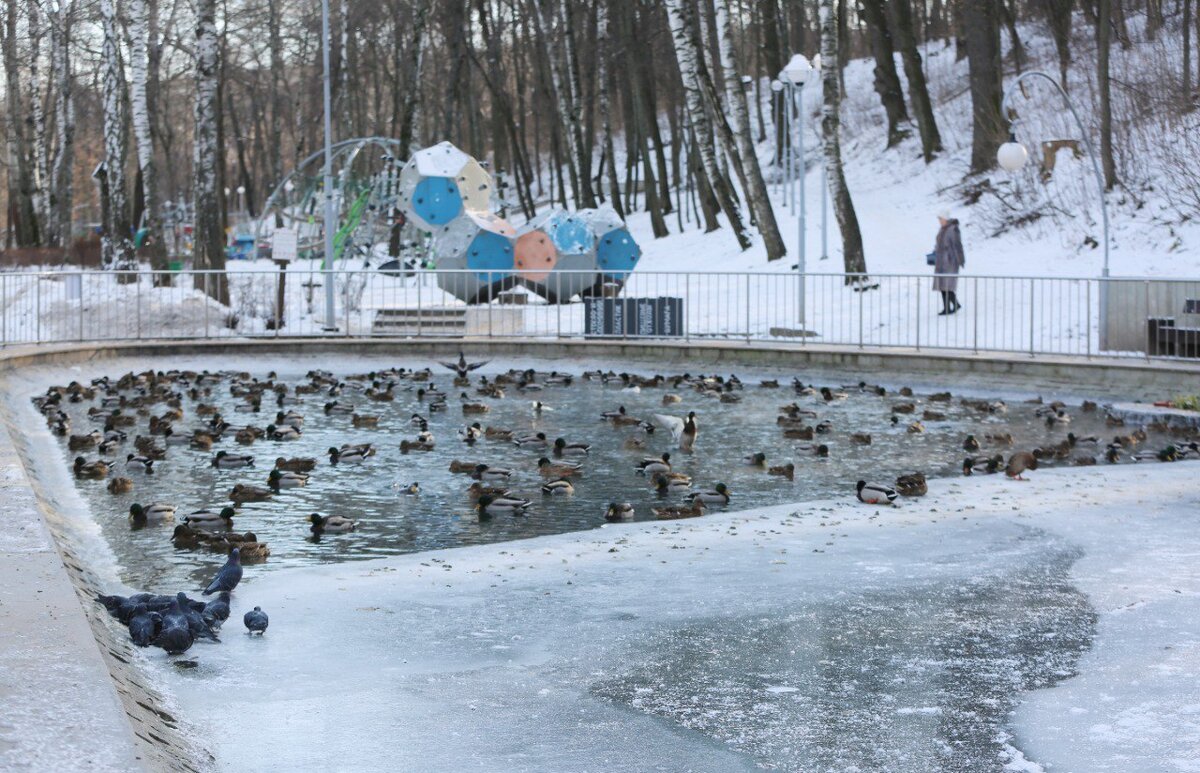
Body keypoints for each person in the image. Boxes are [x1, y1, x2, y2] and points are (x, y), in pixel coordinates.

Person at [932, 210, 964, 315]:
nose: (939, 221)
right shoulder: (942, 229)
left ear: (945, 218)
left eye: (940, 219)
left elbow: (957, 245)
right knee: (942, 285)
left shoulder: (953, 229)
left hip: (950, 260)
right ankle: (947, 307)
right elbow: (939, 244)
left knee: (947, 284)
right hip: (941, 260)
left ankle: (954, 304)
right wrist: (935, 252)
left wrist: (960, 259)